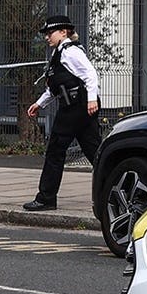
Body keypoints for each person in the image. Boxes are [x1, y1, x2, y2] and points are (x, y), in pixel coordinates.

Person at [23, 14, 102, 211]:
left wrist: (92, 99)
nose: (47, 37)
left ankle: (46, 198)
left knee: (55, 151)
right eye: (46, 33)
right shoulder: (59, 53)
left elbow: (90, 74)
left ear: (63, 32)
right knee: (96, 153)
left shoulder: (70, 51)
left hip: (75, 108)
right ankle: (119, 188)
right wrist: (39, 104)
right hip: (77, 107)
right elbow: (55, 88)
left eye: (50, 33)